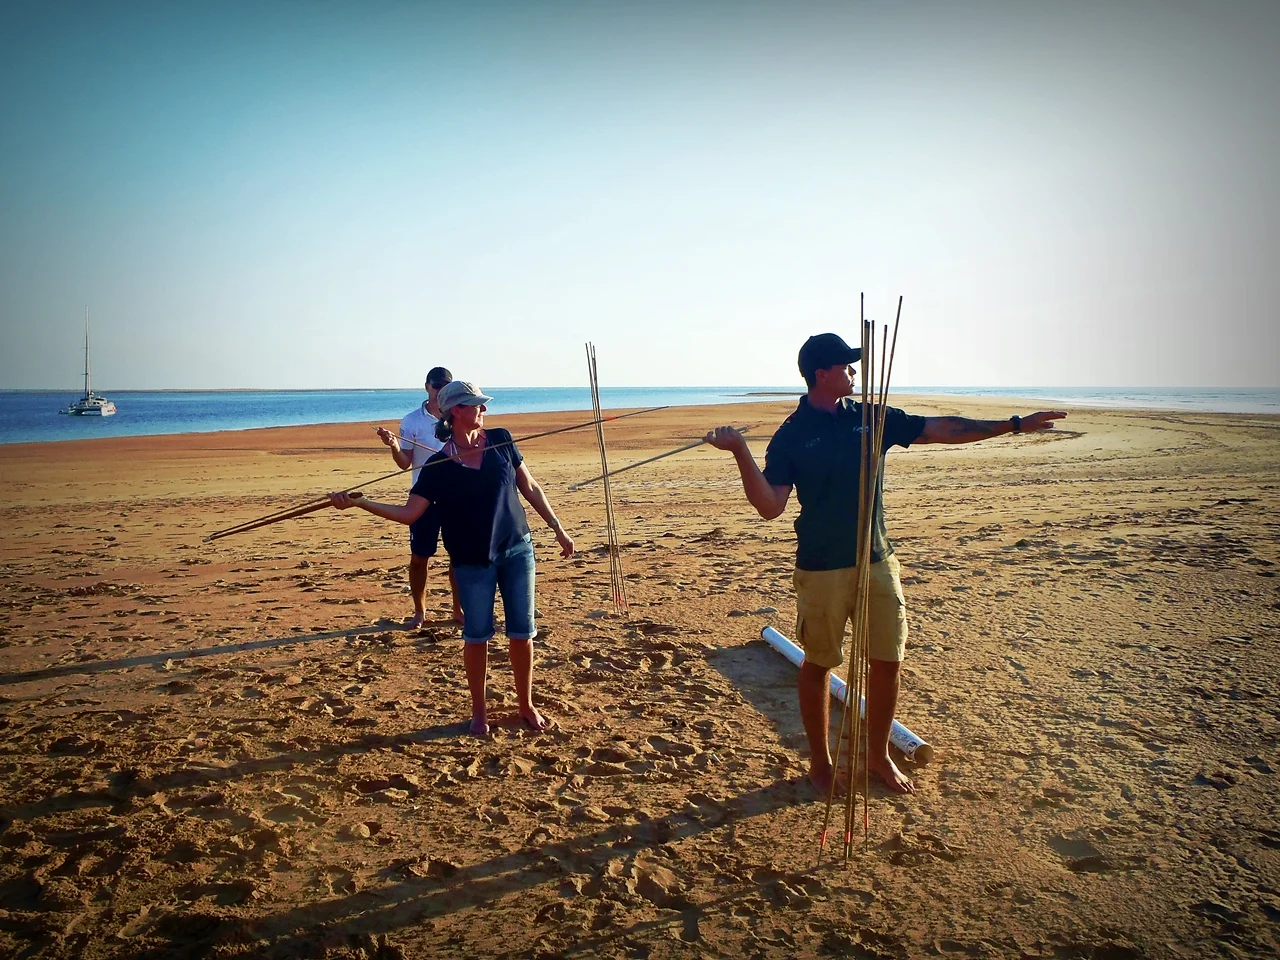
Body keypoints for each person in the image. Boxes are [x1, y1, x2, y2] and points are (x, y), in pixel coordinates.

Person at [706, 332, 1066, 795]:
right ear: (822, 374)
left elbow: (941, 429)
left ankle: (877, 755)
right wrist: (740, 451)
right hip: (822, 566)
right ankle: (821, 763)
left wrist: (1013, 425)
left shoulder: (872, 417)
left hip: (877, 559)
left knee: (888, 660)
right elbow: (770, 506)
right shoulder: (792, 435)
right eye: (846, 366)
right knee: (819, 663)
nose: (854, 372)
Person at [332, 380, 575, 735]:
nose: (484, 409)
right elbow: (409, 514)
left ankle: (525, 704)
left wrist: (557, 528)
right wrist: (360, 503)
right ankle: (479, 712)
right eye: (477, 404)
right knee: (476, 636)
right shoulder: (438, 466)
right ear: (457, 411)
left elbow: (530, 487)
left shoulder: (502, 440)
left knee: (522, 632)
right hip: (471, 560)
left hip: (517, 549)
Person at [376, 366, 462, 629]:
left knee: (458, 557)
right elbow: (405, 463)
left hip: (456, 496)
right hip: (424, 497)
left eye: (445, 385)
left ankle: (458, 610)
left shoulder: (458, 415)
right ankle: (420, 612)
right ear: (427, 386)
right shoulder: (412, 421)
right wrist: (394, 446)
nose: (440, 390)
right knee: (419, 557)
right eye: (436, 385)